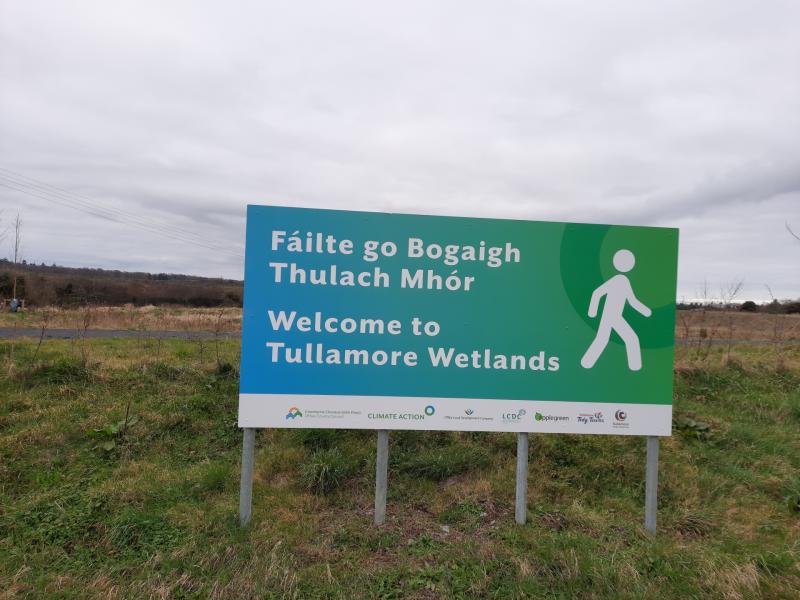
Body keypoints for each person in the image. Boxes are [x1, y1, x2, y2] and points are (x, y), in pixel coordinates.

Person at [580, 249, 651, 371]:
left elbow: (632, 301)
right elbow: (597, 293)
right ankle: (635, 367)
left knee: (610, 339)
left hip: (615, 317)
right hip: (610, 317)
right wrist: (592, 312)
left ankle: (586, 363)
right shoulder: (618, 280)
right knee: (624, 339)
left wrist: (645, 311)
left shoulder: (624, 281)